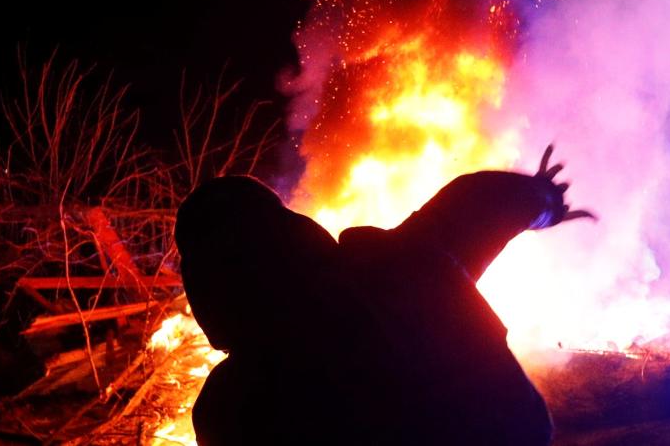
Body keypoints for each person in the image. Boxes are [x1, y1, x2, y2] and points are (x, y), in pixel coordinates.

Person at [175, 145, 591, 445]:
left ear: (206, 290)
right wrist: (545, 200)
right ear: (294, 230)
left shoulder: (229, 406)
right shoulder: (396, 264)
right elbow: (479, 202)